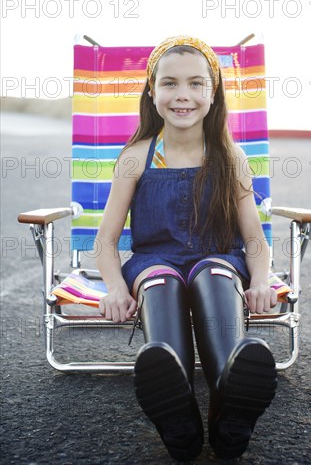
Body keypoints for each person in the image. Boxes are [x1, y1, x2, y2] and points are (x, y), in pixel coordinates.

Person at [95, 35, 278, 461]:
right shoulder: (136, 158)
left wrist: (263, 280)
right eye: (170, 83)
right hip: (154, 262)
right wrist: (115, 288)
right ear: (152, 91)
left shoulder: (229, 157)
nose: (183, 95)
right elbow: (106, 242)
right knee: (160, 283)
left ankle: (230, 399)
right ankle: (176, 408)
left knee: (213, 275)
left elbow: (254, 239)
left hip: (219, 258)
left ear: (213, 94)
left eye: (196, 84)